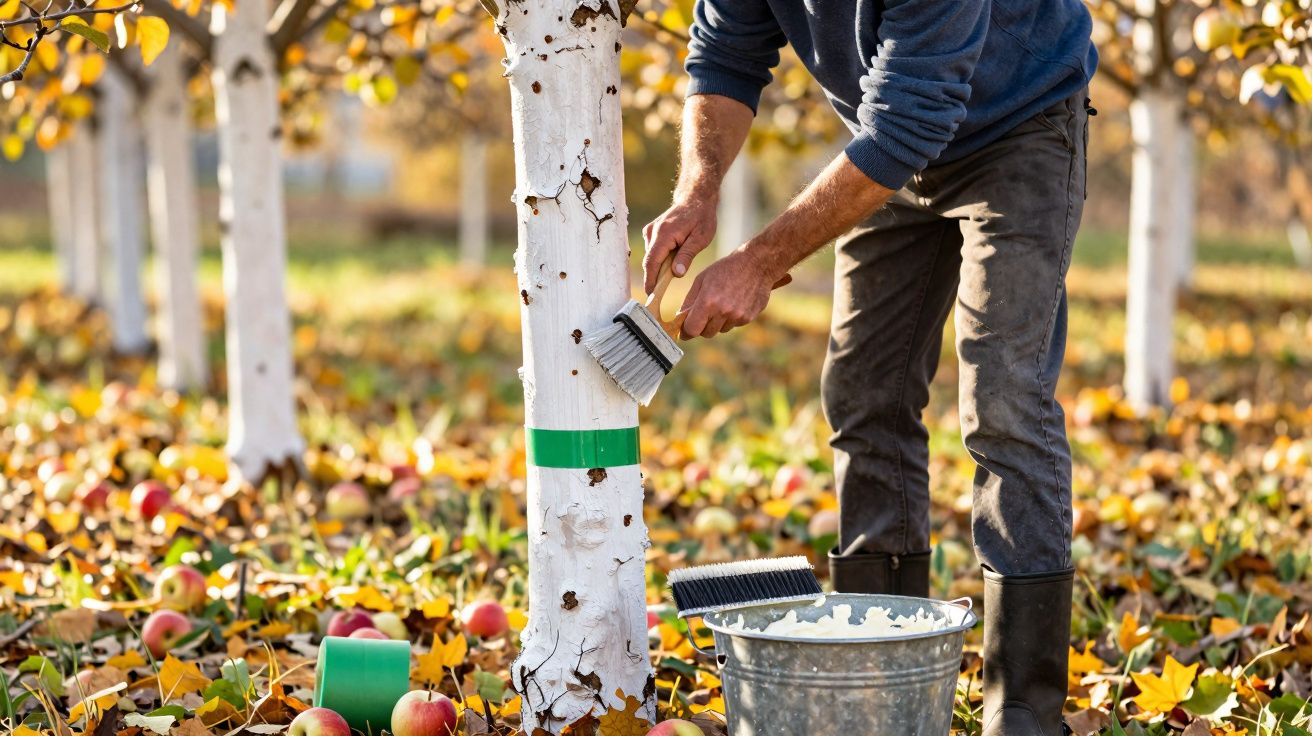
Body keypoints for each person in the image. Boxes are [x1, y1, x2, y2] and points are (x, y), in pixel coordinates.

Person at [642, 2, 1097, 734]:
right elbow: (725, 55)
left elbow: (908, 122)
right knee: (863, 392)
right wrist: (696, 192)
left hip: (1017, 127)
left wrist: (759, 262)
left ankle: (1023, 710)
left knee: (1007, 400)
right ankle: (882, 664)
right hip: (891, 139)